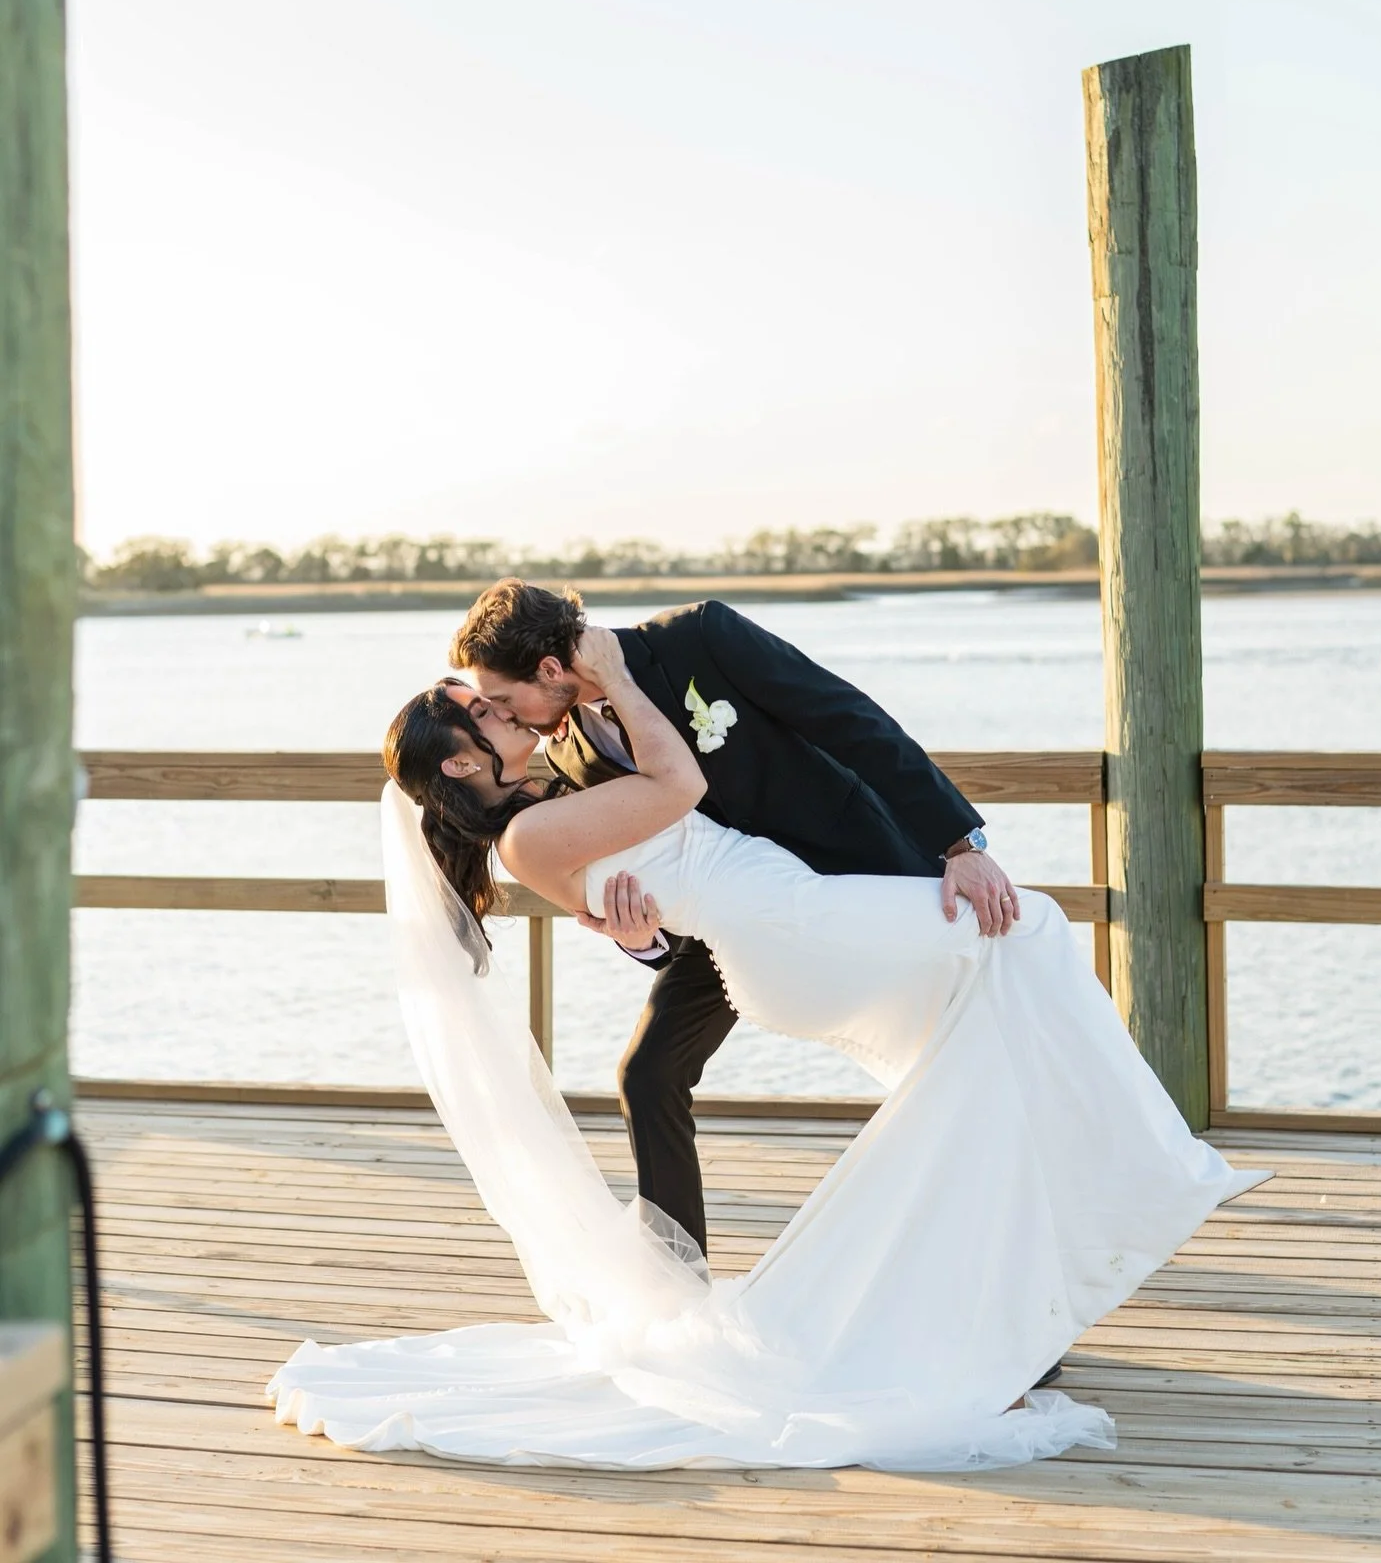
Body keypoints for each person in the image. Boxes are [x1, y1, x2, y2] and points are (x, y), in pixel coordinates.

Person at [268, 621, 1267, 1474]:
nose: (498, 712)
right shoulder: (530, 833)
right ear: (459, 763)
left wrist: (632, 924)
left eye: (493, 696)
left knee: (975, 1056)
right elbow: (678, 785)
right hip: (787, 928)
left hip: (795, 906)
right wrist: (619, 720)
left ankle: (1006, 1304)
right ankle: (1154, 1165)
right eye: (478, 712)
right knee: (1030, 928)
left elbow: (804, 756)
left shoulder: (592, 744)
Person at [445, 579, 1019, 1258]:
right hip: (730, 918)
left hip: (853, 867)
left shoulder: (699, 638)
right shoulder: (567, 753)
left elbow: (852, 722)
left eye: (504, 699)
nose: (505, 716)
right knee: (649, 1074)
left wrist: (960, 845)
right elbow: (645, 867)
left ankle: (1005, 1242)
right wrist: (643, 941)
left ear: (548, 669)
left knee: (960, 1049)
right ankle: (677, 1280)